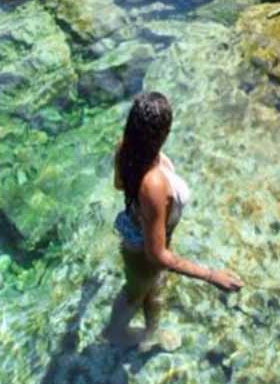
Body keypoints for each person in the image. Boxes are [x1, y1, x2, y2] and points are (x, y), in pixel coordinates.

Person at [104, 90, 243, 348]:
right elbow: (156, 255)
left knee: (150, 289)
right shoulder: (153, 184)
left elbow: (118, 185)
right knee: (135, 293)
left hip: (136, 233)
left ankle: (150, 331)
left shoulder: (125, 148)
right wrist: (211, 275)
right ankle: (115, 334)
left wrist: (146, 215)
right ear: (164, 134)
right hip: (144, 250)